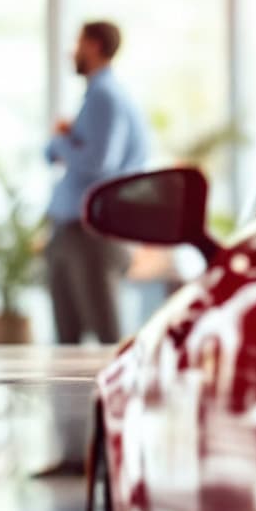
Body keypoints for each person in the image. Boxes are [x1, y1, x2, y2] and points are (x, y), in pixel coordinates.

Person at [44, 20, 150, 344]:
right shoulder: (95, 96)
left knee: (103, 339)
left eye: (78, 43)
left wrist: (62, 140)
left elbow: (99, 163)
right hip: (72, 231)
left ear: (94, 46)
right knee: (69, 342)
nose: (72, 51)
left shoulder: (106, 96)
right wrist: (64, 141)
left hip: (90, 235)